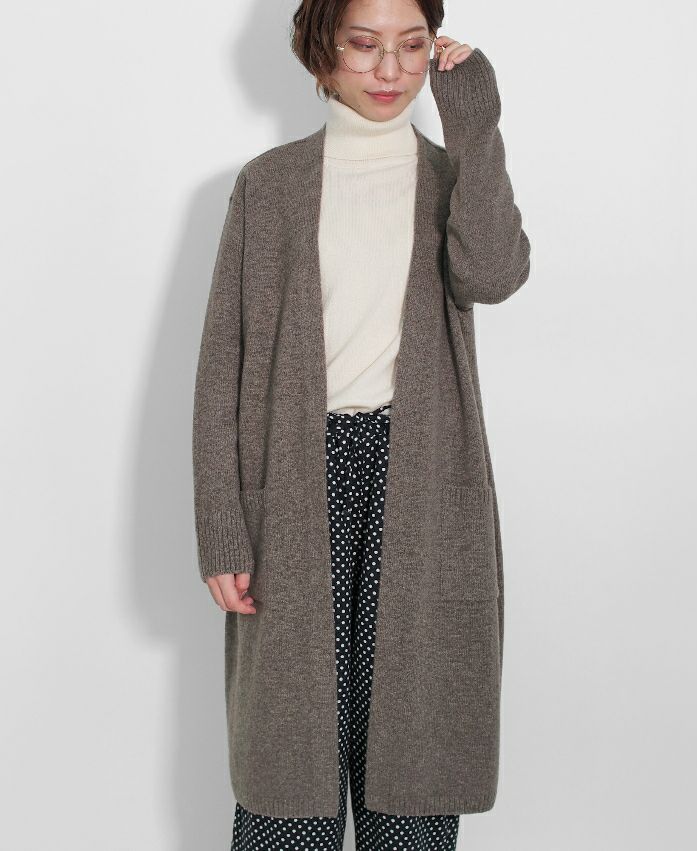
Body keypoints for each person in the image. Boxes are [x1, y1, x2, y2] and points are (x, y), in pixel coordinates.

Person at [192, 0, 532, 848]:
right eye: (364, 44)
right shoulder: (269, 186)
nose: (389, 70)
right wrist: (222, 526)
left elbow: (493, 273)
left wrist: (475, 124)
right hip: (295, 481)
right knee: (288, 763)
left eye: (412, 46)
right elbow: (222, 365)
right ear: (323, 49)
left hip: (422, 480)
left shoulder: (450, 178)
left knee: (413, 754)